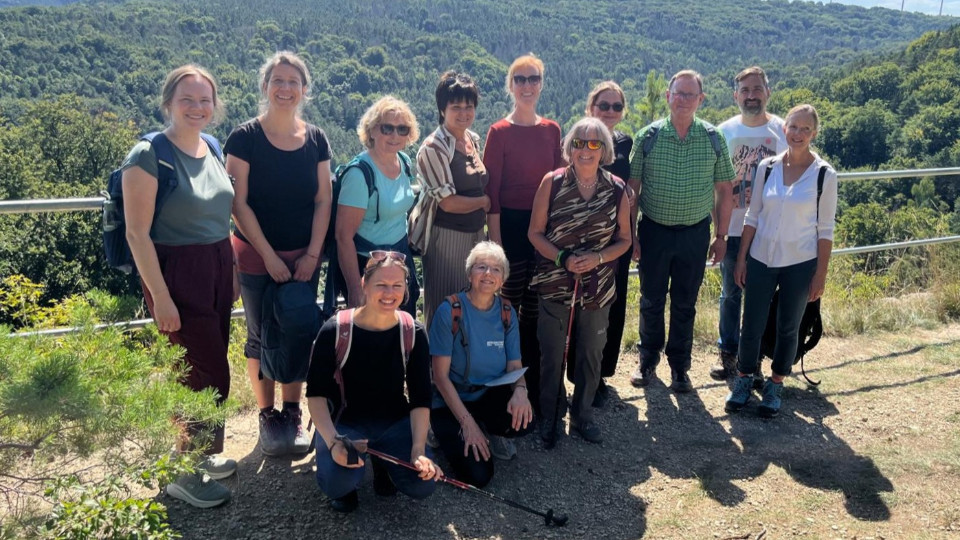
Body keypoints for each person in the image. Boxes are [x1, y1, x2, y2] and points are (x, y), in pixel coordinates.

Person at [121, 65, 236, 508]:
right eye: (187, 99)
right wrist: (161, 297)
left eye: (205, 100)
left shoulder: (212, 146)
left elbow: (221, 217)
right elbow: (137, 234)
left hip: (215, 266)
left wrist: (232, 272)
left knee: (203, 367)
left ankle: (195, 455)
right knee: (204, 373)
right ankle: (185, 473)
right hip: (177, 273)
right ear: (168, 102)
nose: (197, 107)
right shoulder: (148, 155)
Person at [225, 52, 332, 457]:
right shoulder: (244, 138)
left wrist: (312, 255)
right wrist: (269, 255)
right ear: (265, 86)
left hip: (304, 256)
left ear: (304, 89)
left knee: (298, 329)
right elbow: (238, 203)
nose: (285, 88)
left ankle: (291, 412)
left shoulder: (316, 139)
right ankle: (267, 415)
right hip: (255, 255)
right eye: (278, 81)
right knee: (261, 334)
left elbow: (324, 199)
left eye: (293, 82)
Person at [725, 104, 837, 418]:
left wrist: (820, 275)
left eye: (805, 129)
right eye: (793, 127)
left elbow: (826, 230)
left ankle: (775, 384)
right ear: (784, 129)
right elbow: (753, 215)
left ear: (814, 133)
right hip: (761, 257)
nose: (798, 134)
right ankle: (744, 379)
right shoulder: (768, 167)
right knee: (752, 323)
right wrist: (742, 259)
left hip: (800, 261)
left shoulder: (824, 175)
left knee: (789, 326)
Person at [627, 69, 736, 393]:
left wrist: (721, 236)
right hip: (654, 231)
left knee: (685, 303)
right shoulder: (647, 137)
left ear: (701, 99)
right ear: (668, 96)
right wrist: (631, 235)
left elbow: (724, 189)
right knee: (651, 299)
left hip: (694, 233)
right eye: (679, 93)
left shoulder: (713, 138)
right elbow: (632, 189)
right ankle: (647, 360)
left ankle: (679, 367)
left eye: (691, 94)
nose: (684, 100)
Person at [306, 253, 442, 513]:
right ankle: (349, 480)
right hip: (344, 423)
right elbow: (315, 395)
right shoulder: (335, 330)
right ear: (364, 285)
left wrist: (418, 450)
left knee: (422, 484)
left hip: (393, 422)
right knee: (337, 483)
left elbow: (420, 397)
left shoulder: (413, 332)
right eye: (381, 285)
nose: (389, 293)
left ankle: (383, 464)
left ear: (406, 288)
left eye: (397, 285)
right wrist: (333, 442)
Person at [529, 117, 632, 446]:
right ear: (569, 147)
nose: (585, 150)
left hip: (598, 287)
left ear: (604, 150)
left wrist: (598, 258)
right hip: (554, 282)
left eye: (594, 143)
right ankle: (550, 414)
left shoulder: (617, 189)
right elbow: (535, 233)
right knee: (551, 354)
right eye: (578, 143)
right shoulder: (552, 183)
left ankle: (582, 415)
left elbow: (625, 240)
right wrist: (563, 258)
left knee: (591, 354)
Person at [483, 54, 564, 414]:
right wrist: (497, 247)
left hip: (544, 227)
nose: (527, 85)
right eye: (520, 79)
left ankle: (532, 385)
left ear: (542, 84)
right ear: (511, 86)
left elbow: (558, 184)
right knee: (507, 308)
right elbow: (492, 193)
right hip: (511, 229)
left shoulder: (552, 130)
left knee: (535, 309)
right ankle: (504, 386)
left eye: (533, 78)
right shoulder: (499, 132)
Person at [429, 241, 533, 486]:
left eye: (496, 269)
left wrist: (521, 391)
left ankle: (489, 428)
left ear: (503, 279)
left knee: (526, 420)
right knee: (478, 477)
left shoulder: (507, 312)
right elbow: (440, 377)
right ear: (469, 274)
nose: (488, 273)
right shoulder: (450, 311)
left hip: (488, 394)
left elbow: (514, 365)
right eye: (481, 266)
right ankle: (440, 429)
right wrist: (467, 423)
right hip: (450, 398)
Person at [710, 66, 787, 382]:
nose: (751, 96)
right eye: (745, 90)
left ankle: (754, 357)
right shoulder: (723, 131)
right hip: (732, 228)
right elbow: (714, 186)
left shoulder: (784, 131)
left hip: (769, 230)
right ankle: (729, 354)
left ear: (768, 92)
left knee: (762, 296)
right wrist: (718, 230)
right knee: (730, 294)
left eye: (757, 89)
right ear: (735, 96)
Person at [327, 96, 420, 317]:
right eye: (387, 128)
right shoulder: (360, 175)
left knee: (402, 325)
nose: (395, 135)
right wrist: (355, 288)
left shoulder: (404, 162)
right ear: (372, 130)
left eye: (402, 129)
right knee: (374, 329)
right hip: (366, 265)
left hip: (400, 258)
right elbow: (343, 236)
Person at [417, 71, 490, 327]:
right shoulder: (433, 147)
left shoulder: (472, 140)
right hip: (446, 238)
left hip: (475, 234)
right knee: (443, 307)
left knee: (470, 305)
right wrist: (483, 203)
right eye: (456, 107)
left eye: (469, 106)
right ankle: (435, 355)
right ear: (442, 109)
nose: (463, 113)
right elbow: (447, 202)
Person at [583, 80, 634, 407]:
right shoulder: (577, 140)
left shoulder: (625, 142)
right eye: (604, 105)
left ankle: (600, 375)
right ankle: (579, 374)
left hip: (617, 237)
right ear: (591, 108)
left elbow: (630, 188)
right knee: (584, 304)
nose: (610, 111)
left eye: (617, 106)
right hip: (584, 234)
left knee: (613, 304)